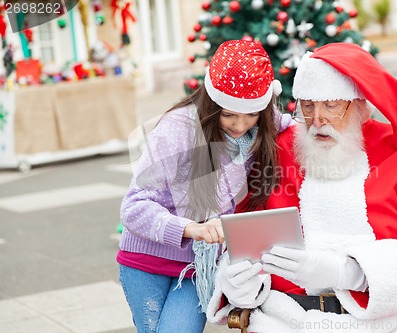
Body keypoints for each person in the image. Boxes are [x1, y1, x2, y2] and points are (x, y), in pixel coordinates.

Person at [206, 43, 397, 332]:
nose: (317, 119)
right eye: (307, 105)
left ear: (359, 105)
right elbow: (245, 233)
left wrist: (345, 272)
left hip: (391, 319)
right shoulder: (278, 150)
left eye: (330, 105)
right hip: (286, 317)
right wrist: (242, 282)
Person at [117, 40, 290, 333]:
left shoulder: (262, 122)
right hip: (145, 261)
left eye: (251, 114)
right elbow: (133, 207)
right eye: (228, 114)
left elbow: (292, 125)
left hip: (197, 266)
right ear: (212, 104)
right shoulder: (177, 130)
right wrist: (191, 228)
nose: (240, 124)